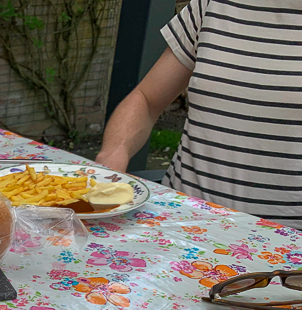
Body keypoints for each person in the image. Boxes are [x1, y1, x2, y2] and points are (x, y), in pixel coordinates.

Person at [96, 0, 302, 227]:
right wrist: (113, 155)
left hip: (283, 246)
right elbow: (146, 100)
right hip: (180, 224)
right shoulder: (211, 5)